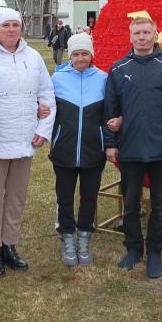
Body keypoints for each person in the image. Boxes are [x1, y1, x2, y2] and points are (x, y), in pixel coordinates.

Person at [103, 16, 162, 279]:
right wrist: (110, 143)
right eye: (137, 33)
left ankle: (155, 252)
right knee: (130, 205)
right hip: (130, 149)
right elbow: (111, 109)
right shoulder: (118, 69)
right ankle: (133, 250)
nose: (141, 37)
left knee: (161, 205)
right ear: (130, 37)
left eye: (146, 32)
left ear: (154, 35)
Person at [0, 9, 56, 277]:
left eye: (15, 25)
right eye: (6, 25)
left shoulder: (33, 57)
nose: (11, 30)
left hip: (24, 140)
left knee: (17, 198)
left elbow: (46, 96)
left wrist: (43, 129)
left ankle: (10, 244)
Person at [50, 32, 108, 266]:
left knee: (89, 197)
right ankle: (66, 236)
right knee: (64, 197)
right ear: (70, 55)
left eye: (85, 53)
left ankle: (84, 237)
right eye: (76, 54)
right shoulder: (58, 79)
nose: (81, 58)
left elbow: (111, 111)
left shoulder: (103, 78)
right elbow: (45, 106)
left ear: (91, 55)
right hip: (64, 149)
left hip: (94, 150)